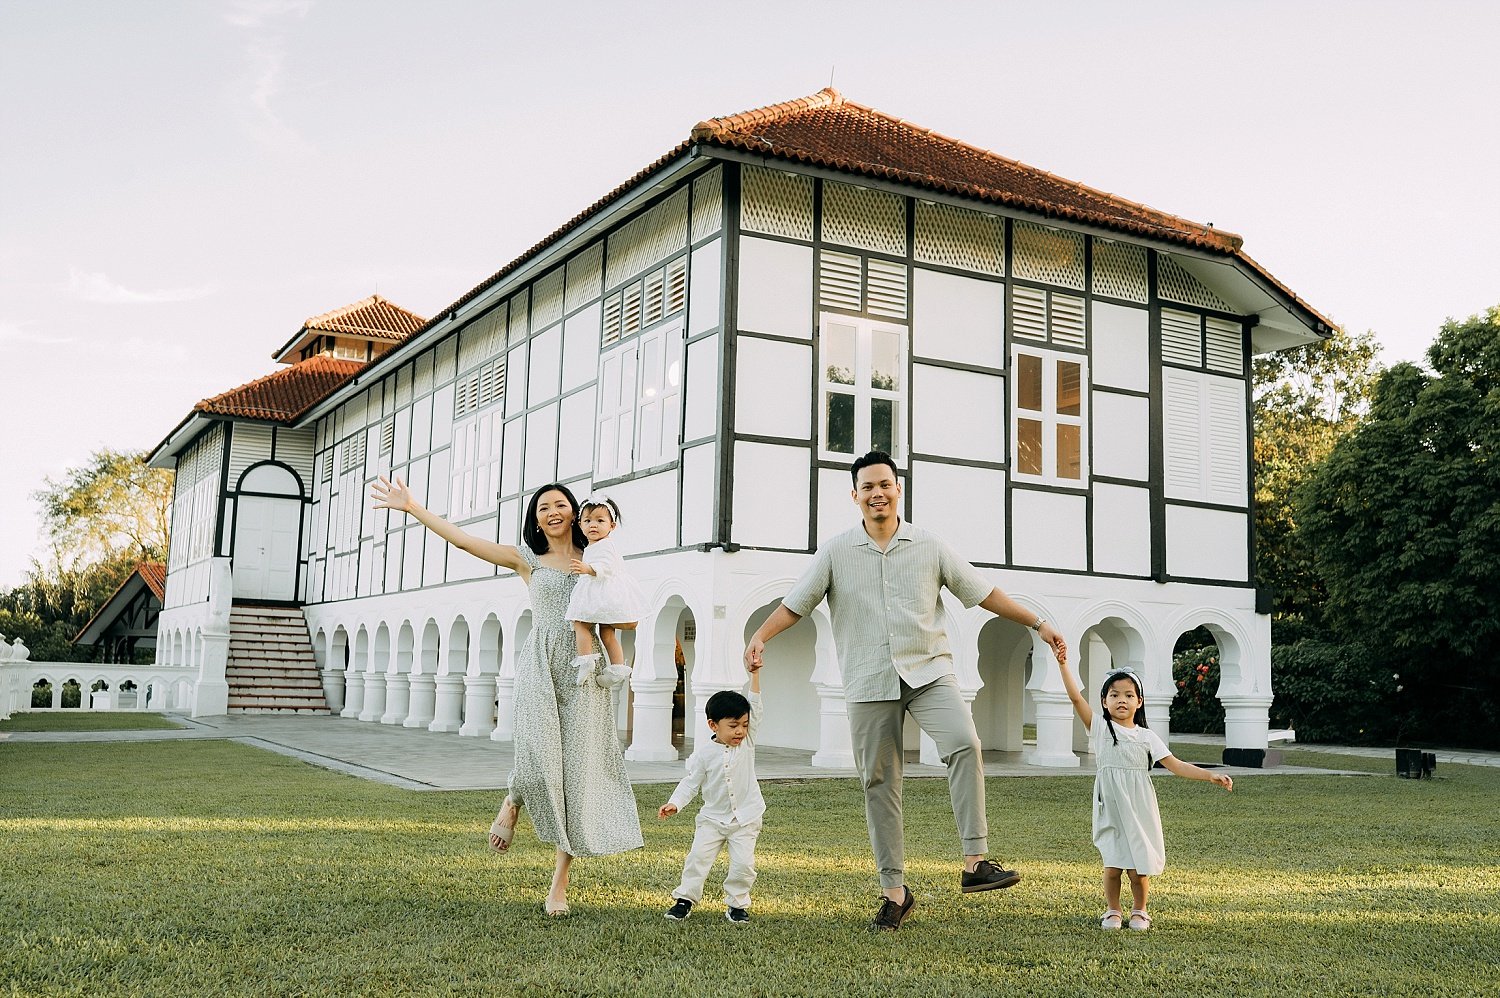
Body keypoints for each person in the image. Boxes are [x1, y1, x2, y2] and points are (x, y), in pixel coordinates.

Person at [743, 451, 1068, 932]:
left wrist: (1038, 623)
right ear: (855, 496)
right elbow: (797, 604)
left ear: (898, 489)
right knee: (880, 782)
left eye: (885, 484)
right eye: (868, 487)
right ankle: (895, 893)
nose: (877, 493)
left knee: (965, 742)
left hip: (928, 670)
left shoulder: (929, 545)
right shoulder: (835, 551)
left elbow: (982, 592)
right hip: (868, 677)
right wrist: (761, 635)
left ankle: (976, 862)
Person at [370, 475, 643, 916]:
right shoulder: (527, 559)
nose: (552, 513)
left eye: (560, 505)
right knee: (537, 754)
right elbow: (464, 542)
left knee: (576, 772)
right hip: (542, 661)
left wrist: (616, 623)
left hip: (584, 669)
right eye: (543, 508)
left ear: (576, 512)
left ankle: (559, 883)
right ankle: (514, 798)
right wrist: (414, 508)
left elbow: (626, 614)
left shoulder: (598, 556)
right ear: (535, 520)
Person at [1057, 657, 1233, 931]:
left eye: (1129, 695)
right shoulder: (1100, 729)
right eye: (1114, 695)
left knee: (1138, 868)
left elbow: (1176, 765)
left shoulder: (1147, 737)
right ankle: (1113, 910)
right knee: (1113, 864)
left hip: (1139, 808)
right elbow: (1075, 697)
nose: (1122, 700)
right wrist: (1063, 664)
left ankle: (1140, 910)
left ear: (1139, 701)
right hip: (1110, 808)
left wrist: (1209, 775)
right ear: (1104, 701)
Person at [657, 670, 764, 926]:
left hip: (746, 819)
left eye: (744, 725)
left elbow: (756, 706)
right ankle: (685, 900)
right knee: (697, 859)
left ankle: (737, 904)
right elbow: (690, 783)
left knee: (743, 865)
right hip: (712, 820)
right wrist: (675, 803)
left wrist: (755, 675)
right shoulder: (703, 755)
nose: (740, 731)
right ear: (713, 725)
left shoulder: (747, 743)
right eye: (733, 726)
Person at [566, 495, 646, 690]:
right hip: (602, 592)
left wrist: (588, 569)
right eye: (587, 521)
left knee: (580, 623)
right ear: (580, 524)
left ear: (612, 526)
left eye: (600, 521)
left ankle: (586, 660)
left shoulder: (606, 544)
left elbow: (608, 566)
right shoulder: (593, 545)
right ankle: (617, 668)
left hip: (604, 591)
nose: (593, 525)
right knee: (607, 632)